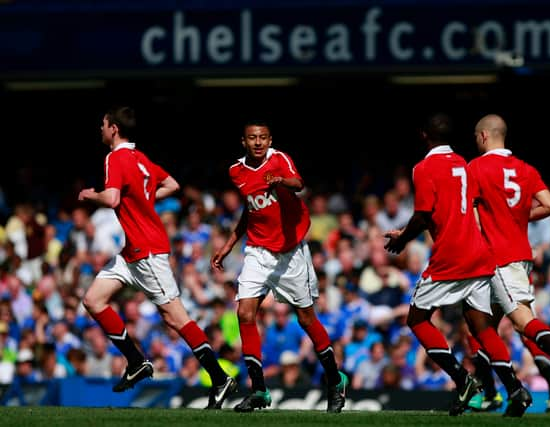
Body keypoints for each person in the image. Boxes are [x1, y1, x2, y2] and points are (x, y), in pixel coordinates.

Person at [78, 106, 236, 409]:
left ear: (113, 128)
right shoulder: (141, 159)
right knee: (93, 300)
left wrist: (90, 194)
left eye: (102, 124)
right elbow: (172, 185)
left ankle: (219, 377)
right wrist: (142, 198)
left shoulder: (116, 157)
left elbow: (111, 198)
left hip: (148, 252)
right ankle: (136, 361)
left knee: (175, 317)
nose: (100, 128)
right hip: (132, 252)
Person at [383, 113, 531, 417]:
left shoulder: (423, 168)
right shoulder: (464, 163)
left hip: (451, 256)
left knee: (417, 319)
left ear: (424, 135)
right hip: (479, 253)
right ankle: (515, 388)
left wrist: (402, 240)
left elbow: (424, 214)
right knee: (481, 326)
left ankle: (463, 380)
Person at [211, 119, 348, 413]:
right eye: (252, 138)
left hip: (291, 254)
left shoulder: (279, 160)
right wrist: (228, 245)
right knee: (244, 314)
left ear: (270, 140)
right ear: (243, 142)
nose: (258, 142)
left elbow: (299, 184)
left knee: (307, 319)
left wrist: (280, 180)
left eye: (263, 137)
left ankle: (336, 381)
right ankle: (259, 390)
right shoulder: (236, 171)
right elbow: (252, 211)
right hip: (258, 251)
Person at [467, 113, 550, 411]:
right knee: (478, 323)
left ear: (484, 136)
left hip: (498, 259)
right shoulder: (525, 169)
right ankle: (504, 393)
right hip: (521, 255)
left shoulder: (476, 168)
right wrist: (518, 217)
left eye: (475, 136)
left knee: (522, 322)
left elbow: (471, 215)